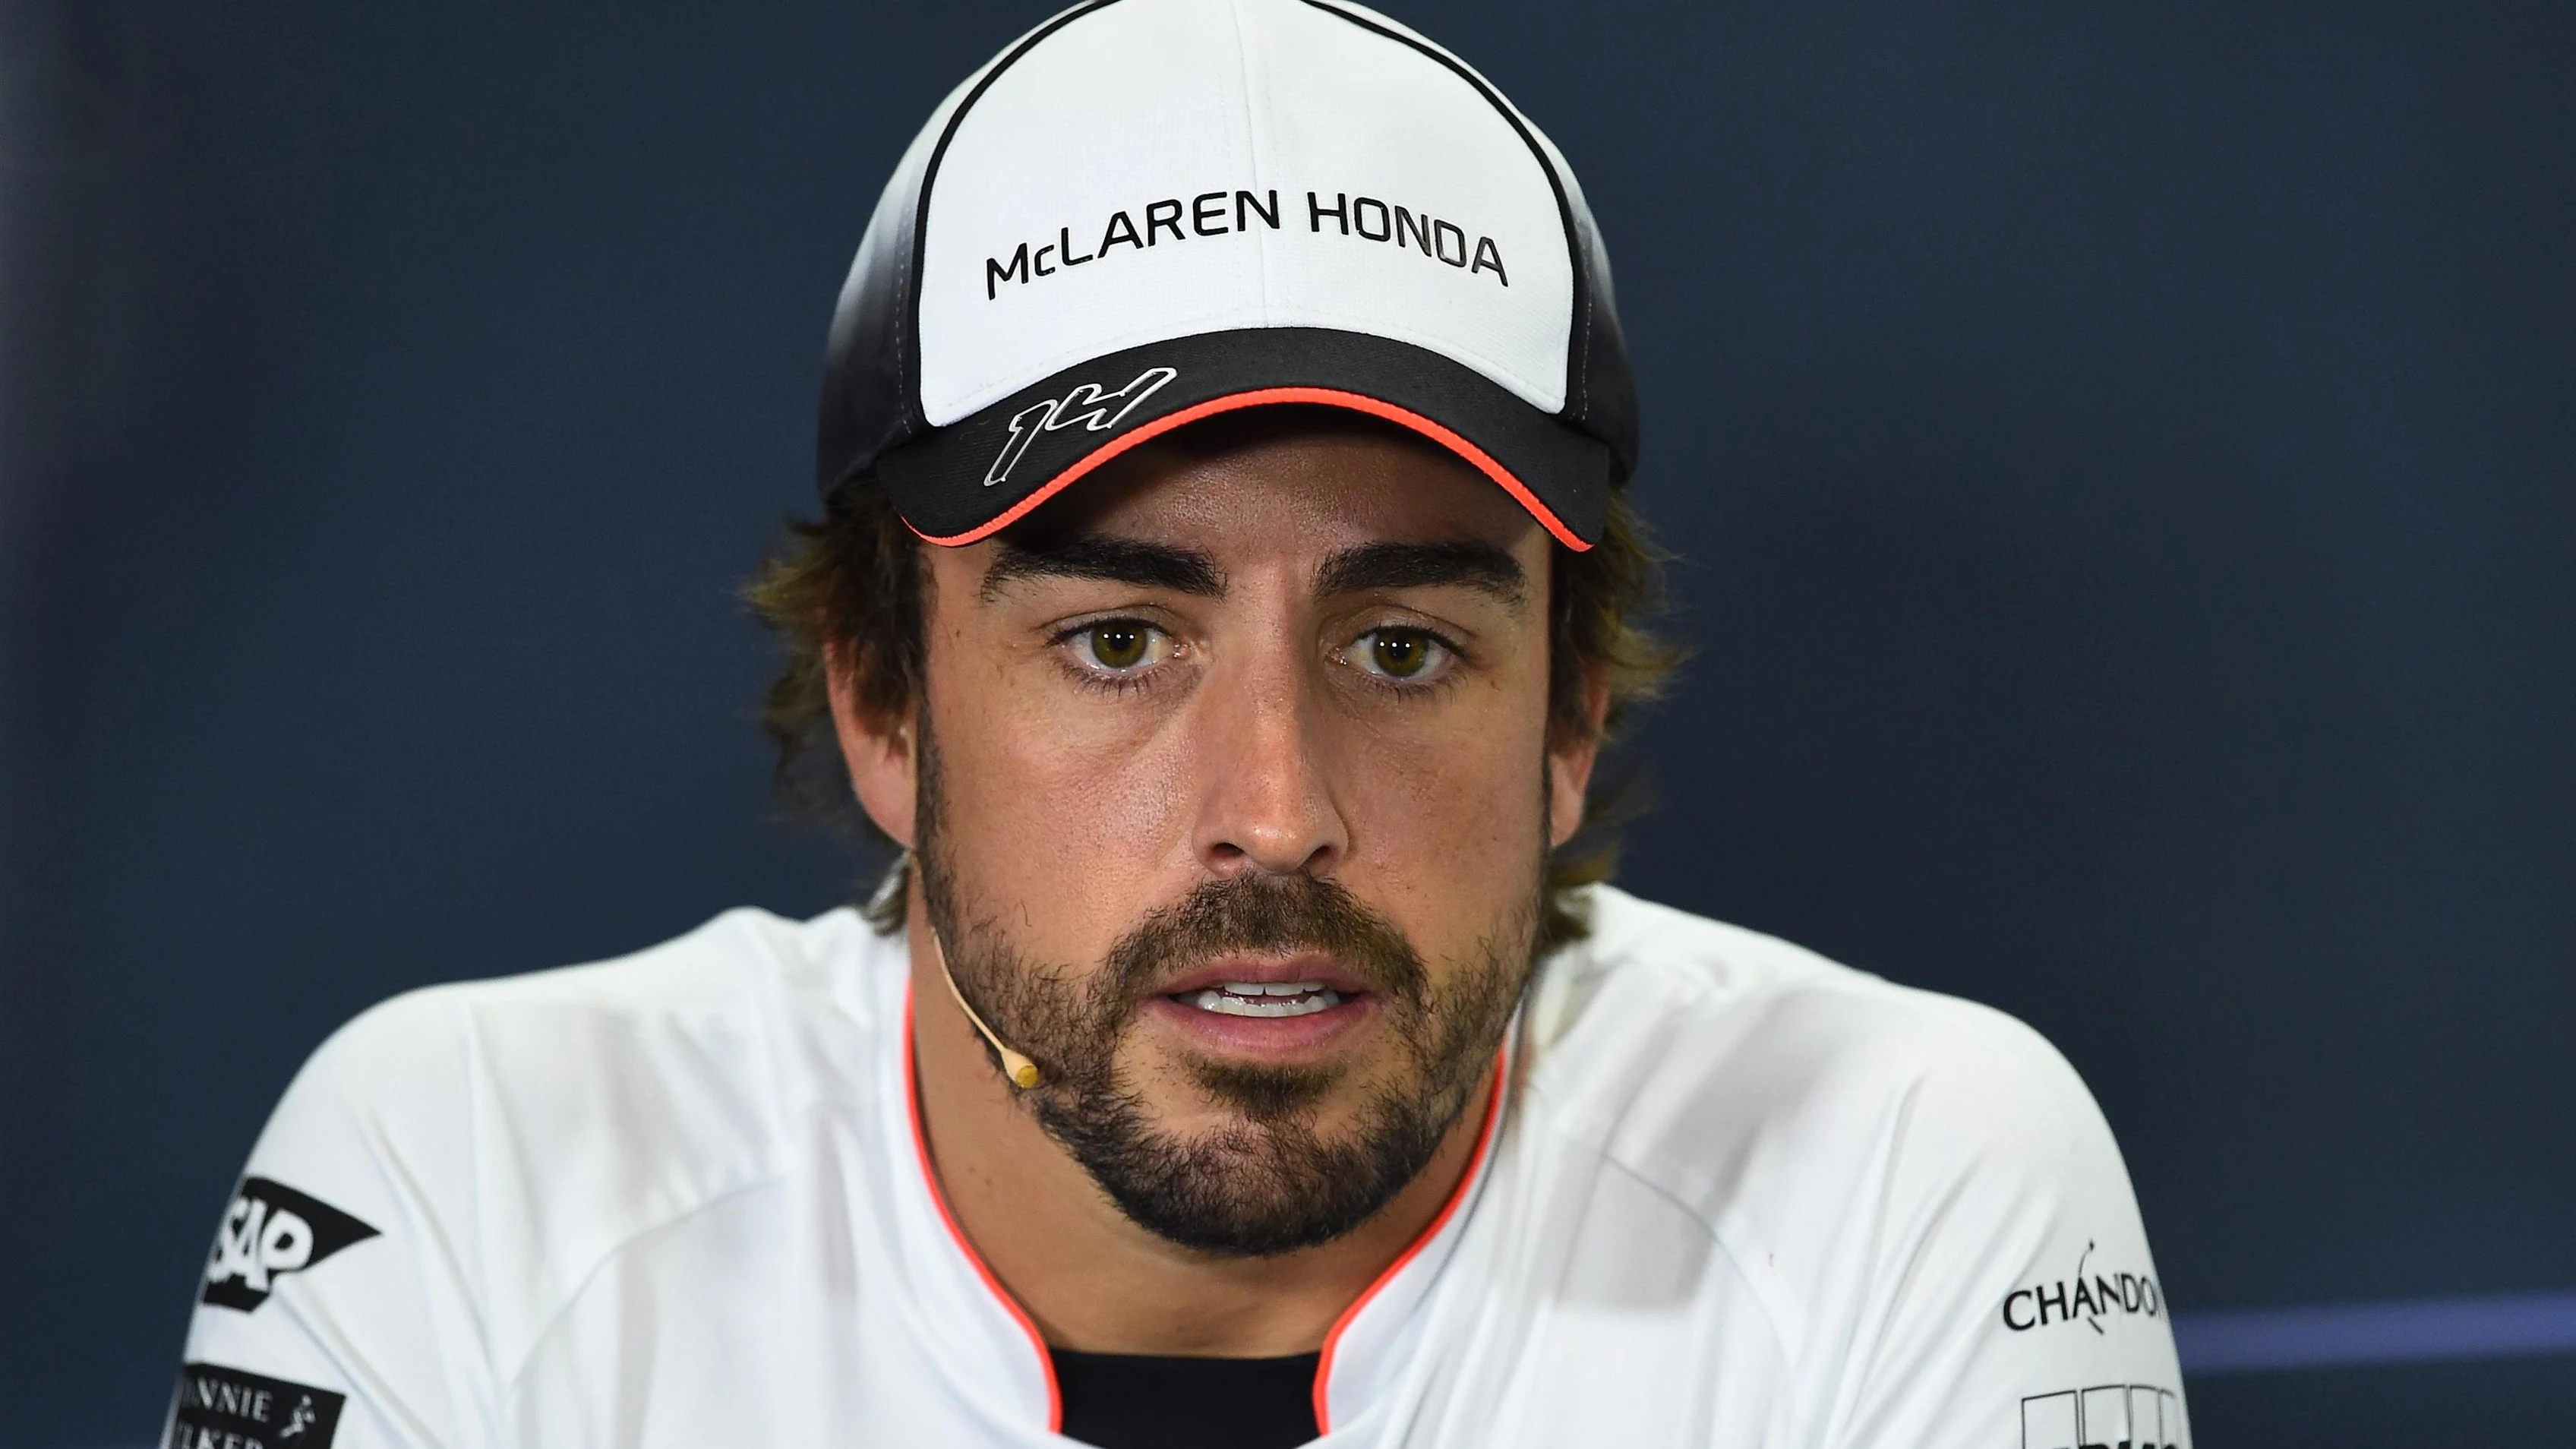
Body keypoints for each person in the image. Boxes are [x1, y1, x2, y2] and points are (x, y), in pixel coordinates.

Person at [166, 3, 2188, 1447]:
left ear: (1568, 713)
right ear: (880, 697)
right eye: (1122, 639)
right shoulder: (480, 1186)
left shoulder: (1900, 1175)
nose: (1276, 812)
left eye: (1403, 647)